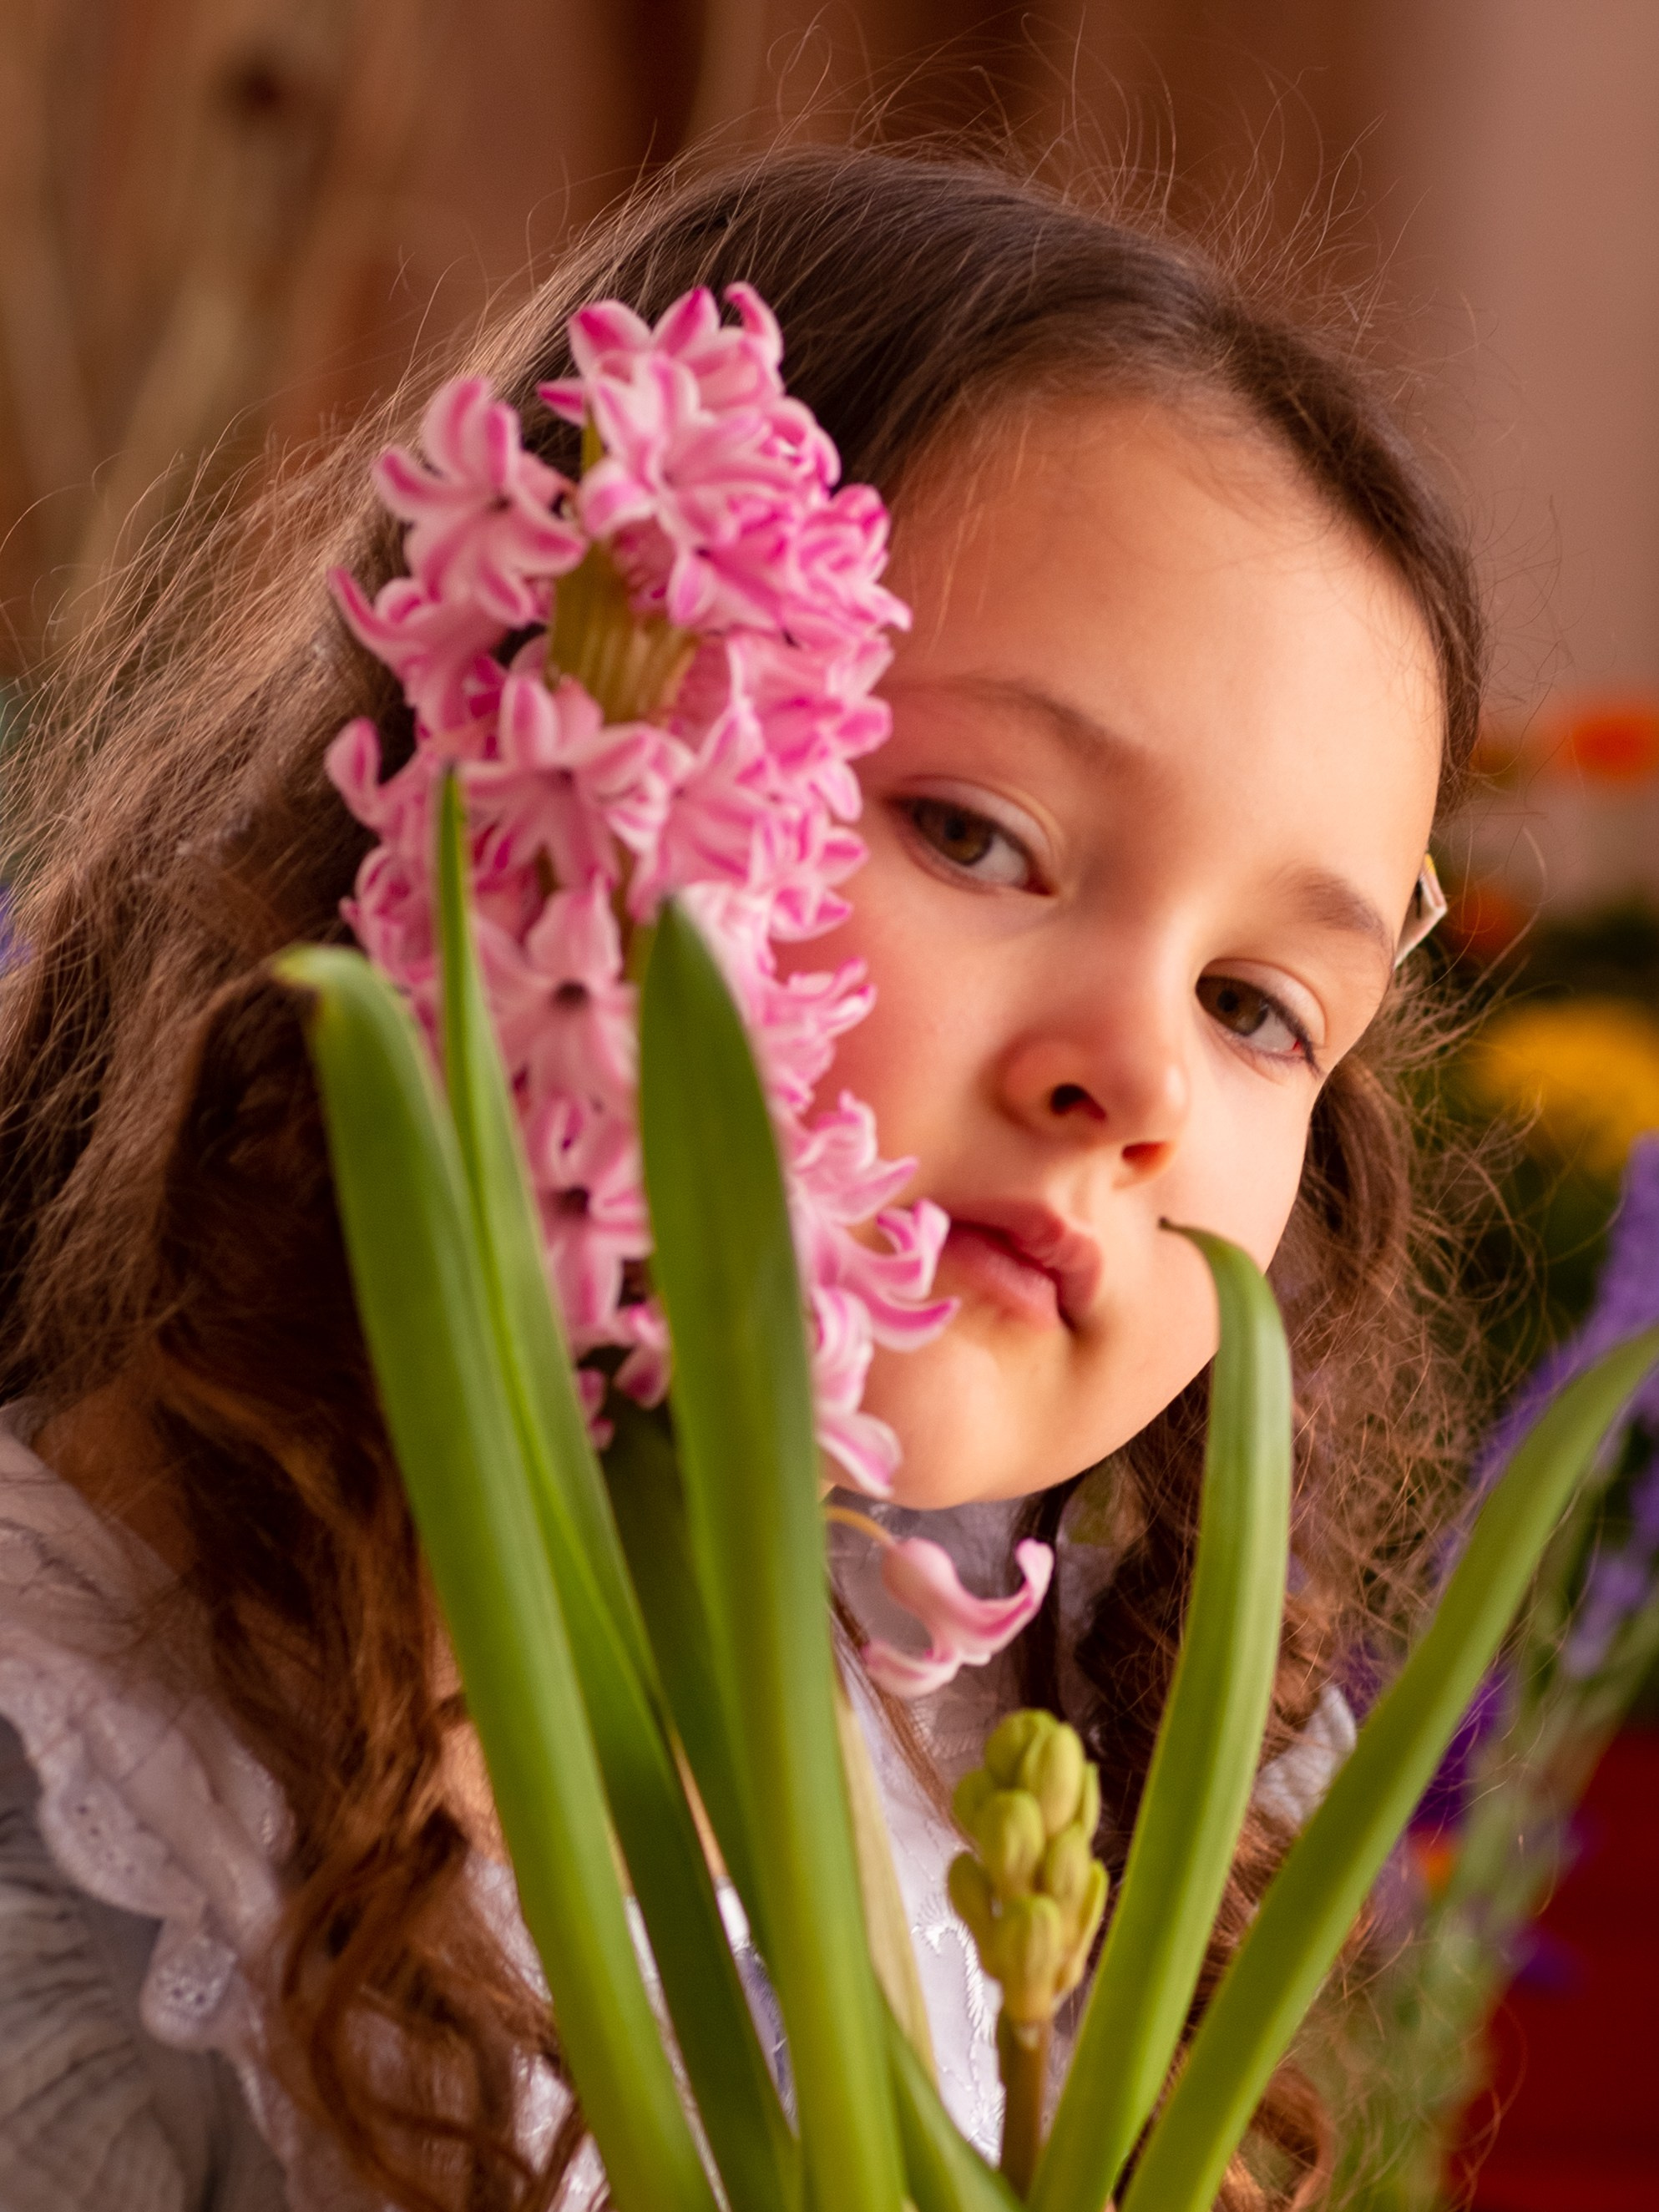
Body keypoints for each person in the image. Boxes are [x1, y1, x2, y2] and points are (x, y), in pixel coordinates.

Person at [0, 144, 1485, 2211]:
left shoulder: (1020, 1794)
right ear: (535, 766)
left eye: (1254, 1003)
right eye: (973, 832)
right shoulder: (78, 1832)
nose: (1136, 1076)